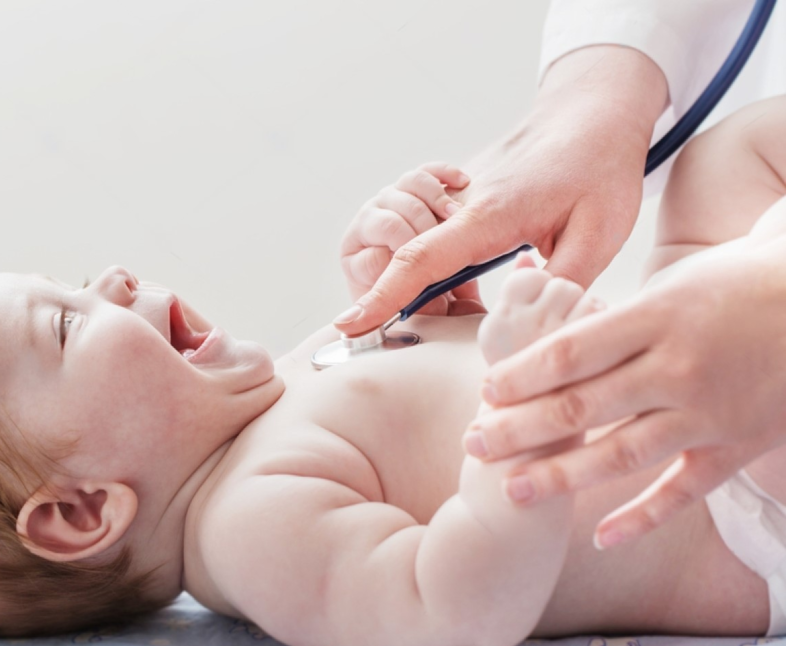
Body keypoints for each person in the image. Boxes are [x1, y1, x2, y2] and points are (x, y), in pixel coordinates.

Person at [0, 98, 786, 646]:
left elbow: (419, 385)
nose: (111, 278)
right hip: (732, 500)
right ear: (82, 510)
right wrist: (513, 429)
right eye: (68, 322)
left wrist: (434, 298)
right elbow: (450, 610)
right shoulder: (252, 526)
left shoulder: (273, 398)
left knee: (726, 159)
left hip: (698, 370)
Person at [333, 0, 786, 549]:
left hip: (725, 439)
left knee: (725, 163)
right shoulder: (244, 518)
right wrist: (591, 103)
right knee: (725, 163)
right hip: (733, 484)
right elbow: (444, 614)